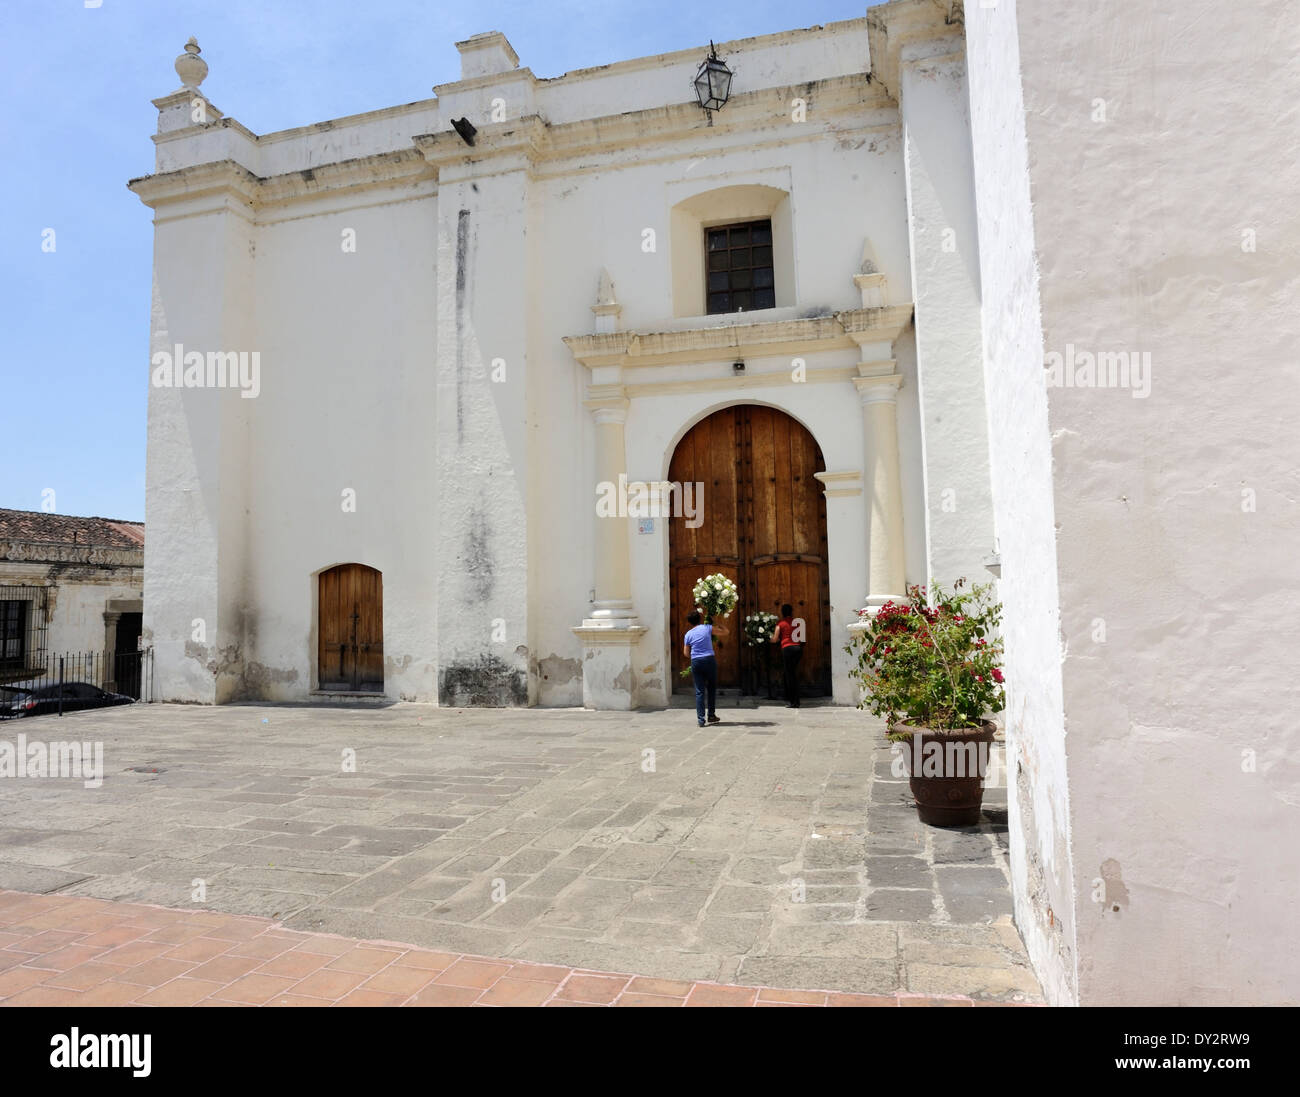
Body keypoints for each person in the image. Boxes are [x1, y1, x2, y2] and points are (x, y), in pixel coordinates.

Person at [683, 609, 727, 727]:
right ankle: (711, 715)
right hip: (709, 660)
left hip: (696, 662)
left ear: (689, 622)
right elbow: (726, 632)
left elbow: (686, 653)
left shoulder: (688, 634)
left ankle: (701, 719)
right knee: (711, 688)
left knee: (699, 691)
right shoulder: (707, 628)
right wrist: (717, 622)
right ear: (700, 619)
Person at [771, 603, 803, 708]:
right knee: (792, 674)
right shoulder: (797, 622)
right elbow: (802, 638)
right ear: (791, 612)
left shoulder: (780, 623)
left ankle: (793, 701)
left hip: (787, 649)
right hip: (798, 649)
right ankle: (795, 700)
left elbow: (775, 639)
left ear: (782, 612)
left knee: (790, 676)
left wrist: (768, 638)